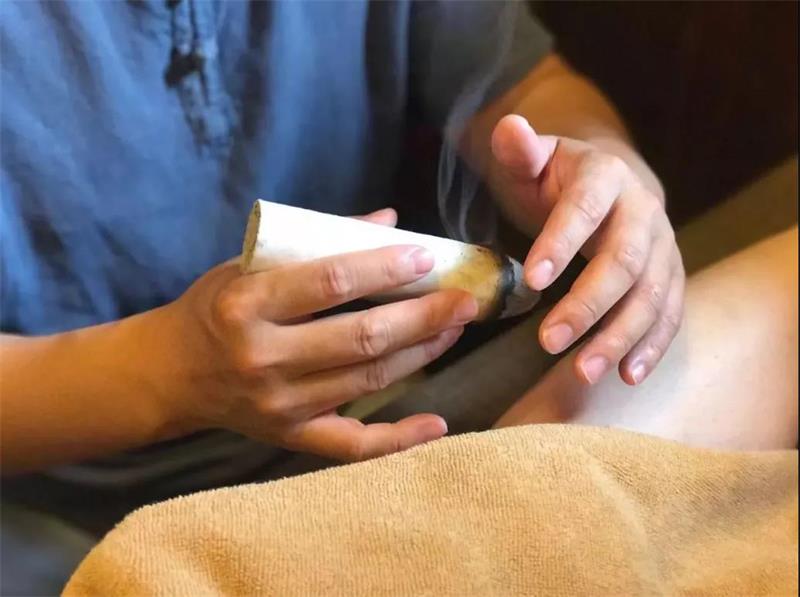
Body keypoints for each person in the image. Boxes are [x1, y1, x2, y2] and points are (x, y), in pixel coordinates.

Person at [1, 2, 683, 591]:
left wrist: (598, 171)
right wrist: (173, 372)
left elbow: (522, 83)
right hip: (53, 502)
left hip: (356, 429)